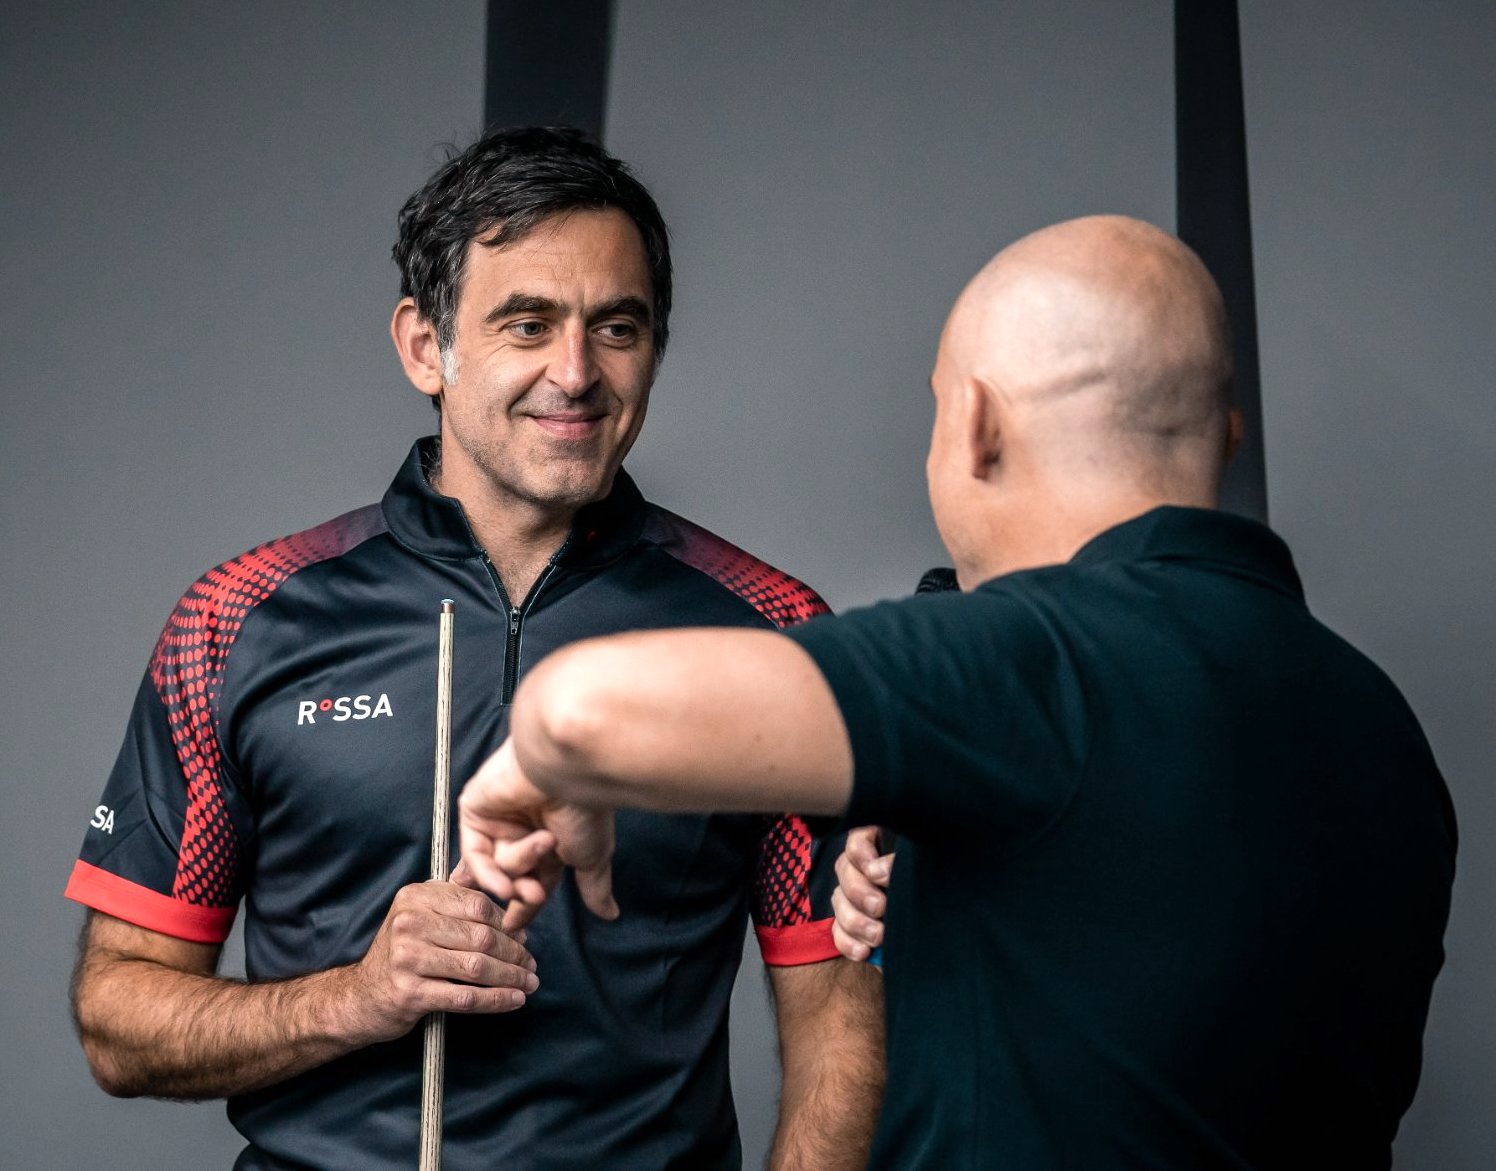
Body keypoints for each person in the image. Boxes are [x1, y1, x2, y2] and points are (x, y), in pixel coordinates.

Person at [456, 215, 1457, 1169]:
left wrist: (548, 760)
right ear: (1227, 434)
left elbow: (581, 710)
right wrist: (940, 900)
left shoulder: (1031, 656)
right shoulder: (1378, 723)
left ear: (975, 425)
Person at [66, 126, 882, 1171]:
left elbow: (839, 1017)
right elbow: (118, 1020)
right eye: (527, 324)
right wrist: (353, 998)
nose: (575, 373)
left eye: (617, 327)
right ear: (425, 346)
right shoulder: (238, 620)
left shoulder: (772, 632)